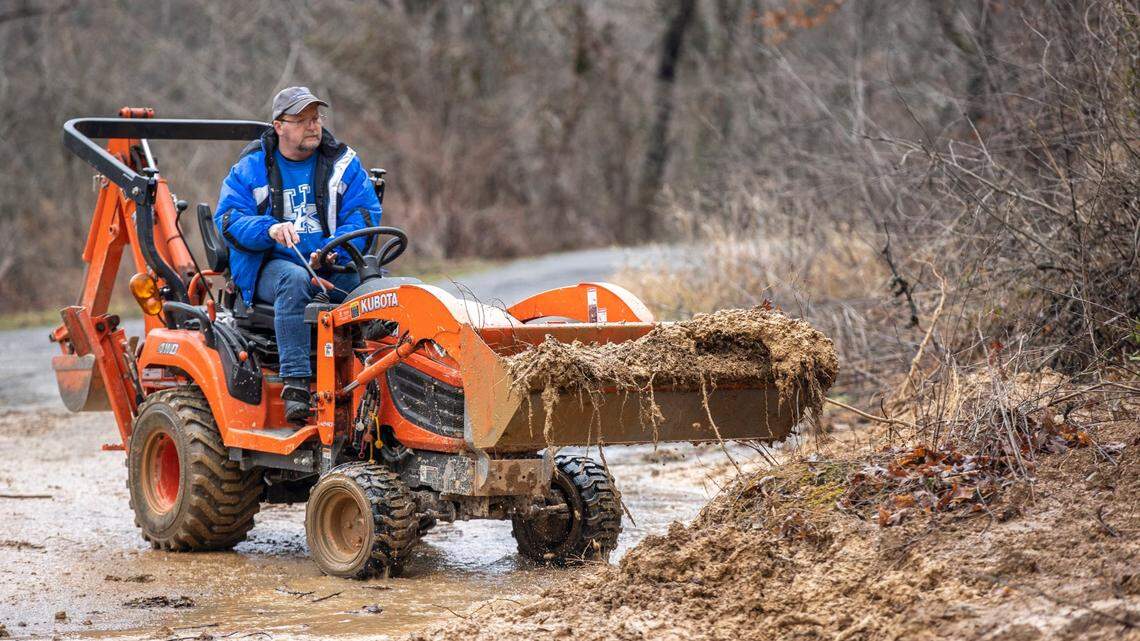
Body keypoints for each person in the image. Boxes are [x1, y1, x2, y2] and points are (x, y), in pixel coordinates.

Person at [215, 86, 382, 422]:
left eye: (316, 118)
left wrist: (337, 247)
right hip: (269, 268)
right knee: (294, 280)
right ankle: (296, 384)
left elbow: (364, 214)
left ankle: (383, 376)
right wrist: (270, 229)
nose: (313, 126)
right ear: (279, 126)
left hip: (329, 264)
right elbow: (229, 219)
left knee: (382, 290)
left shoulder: (343, 163)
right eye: (302, 120)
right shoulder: (250, 168)